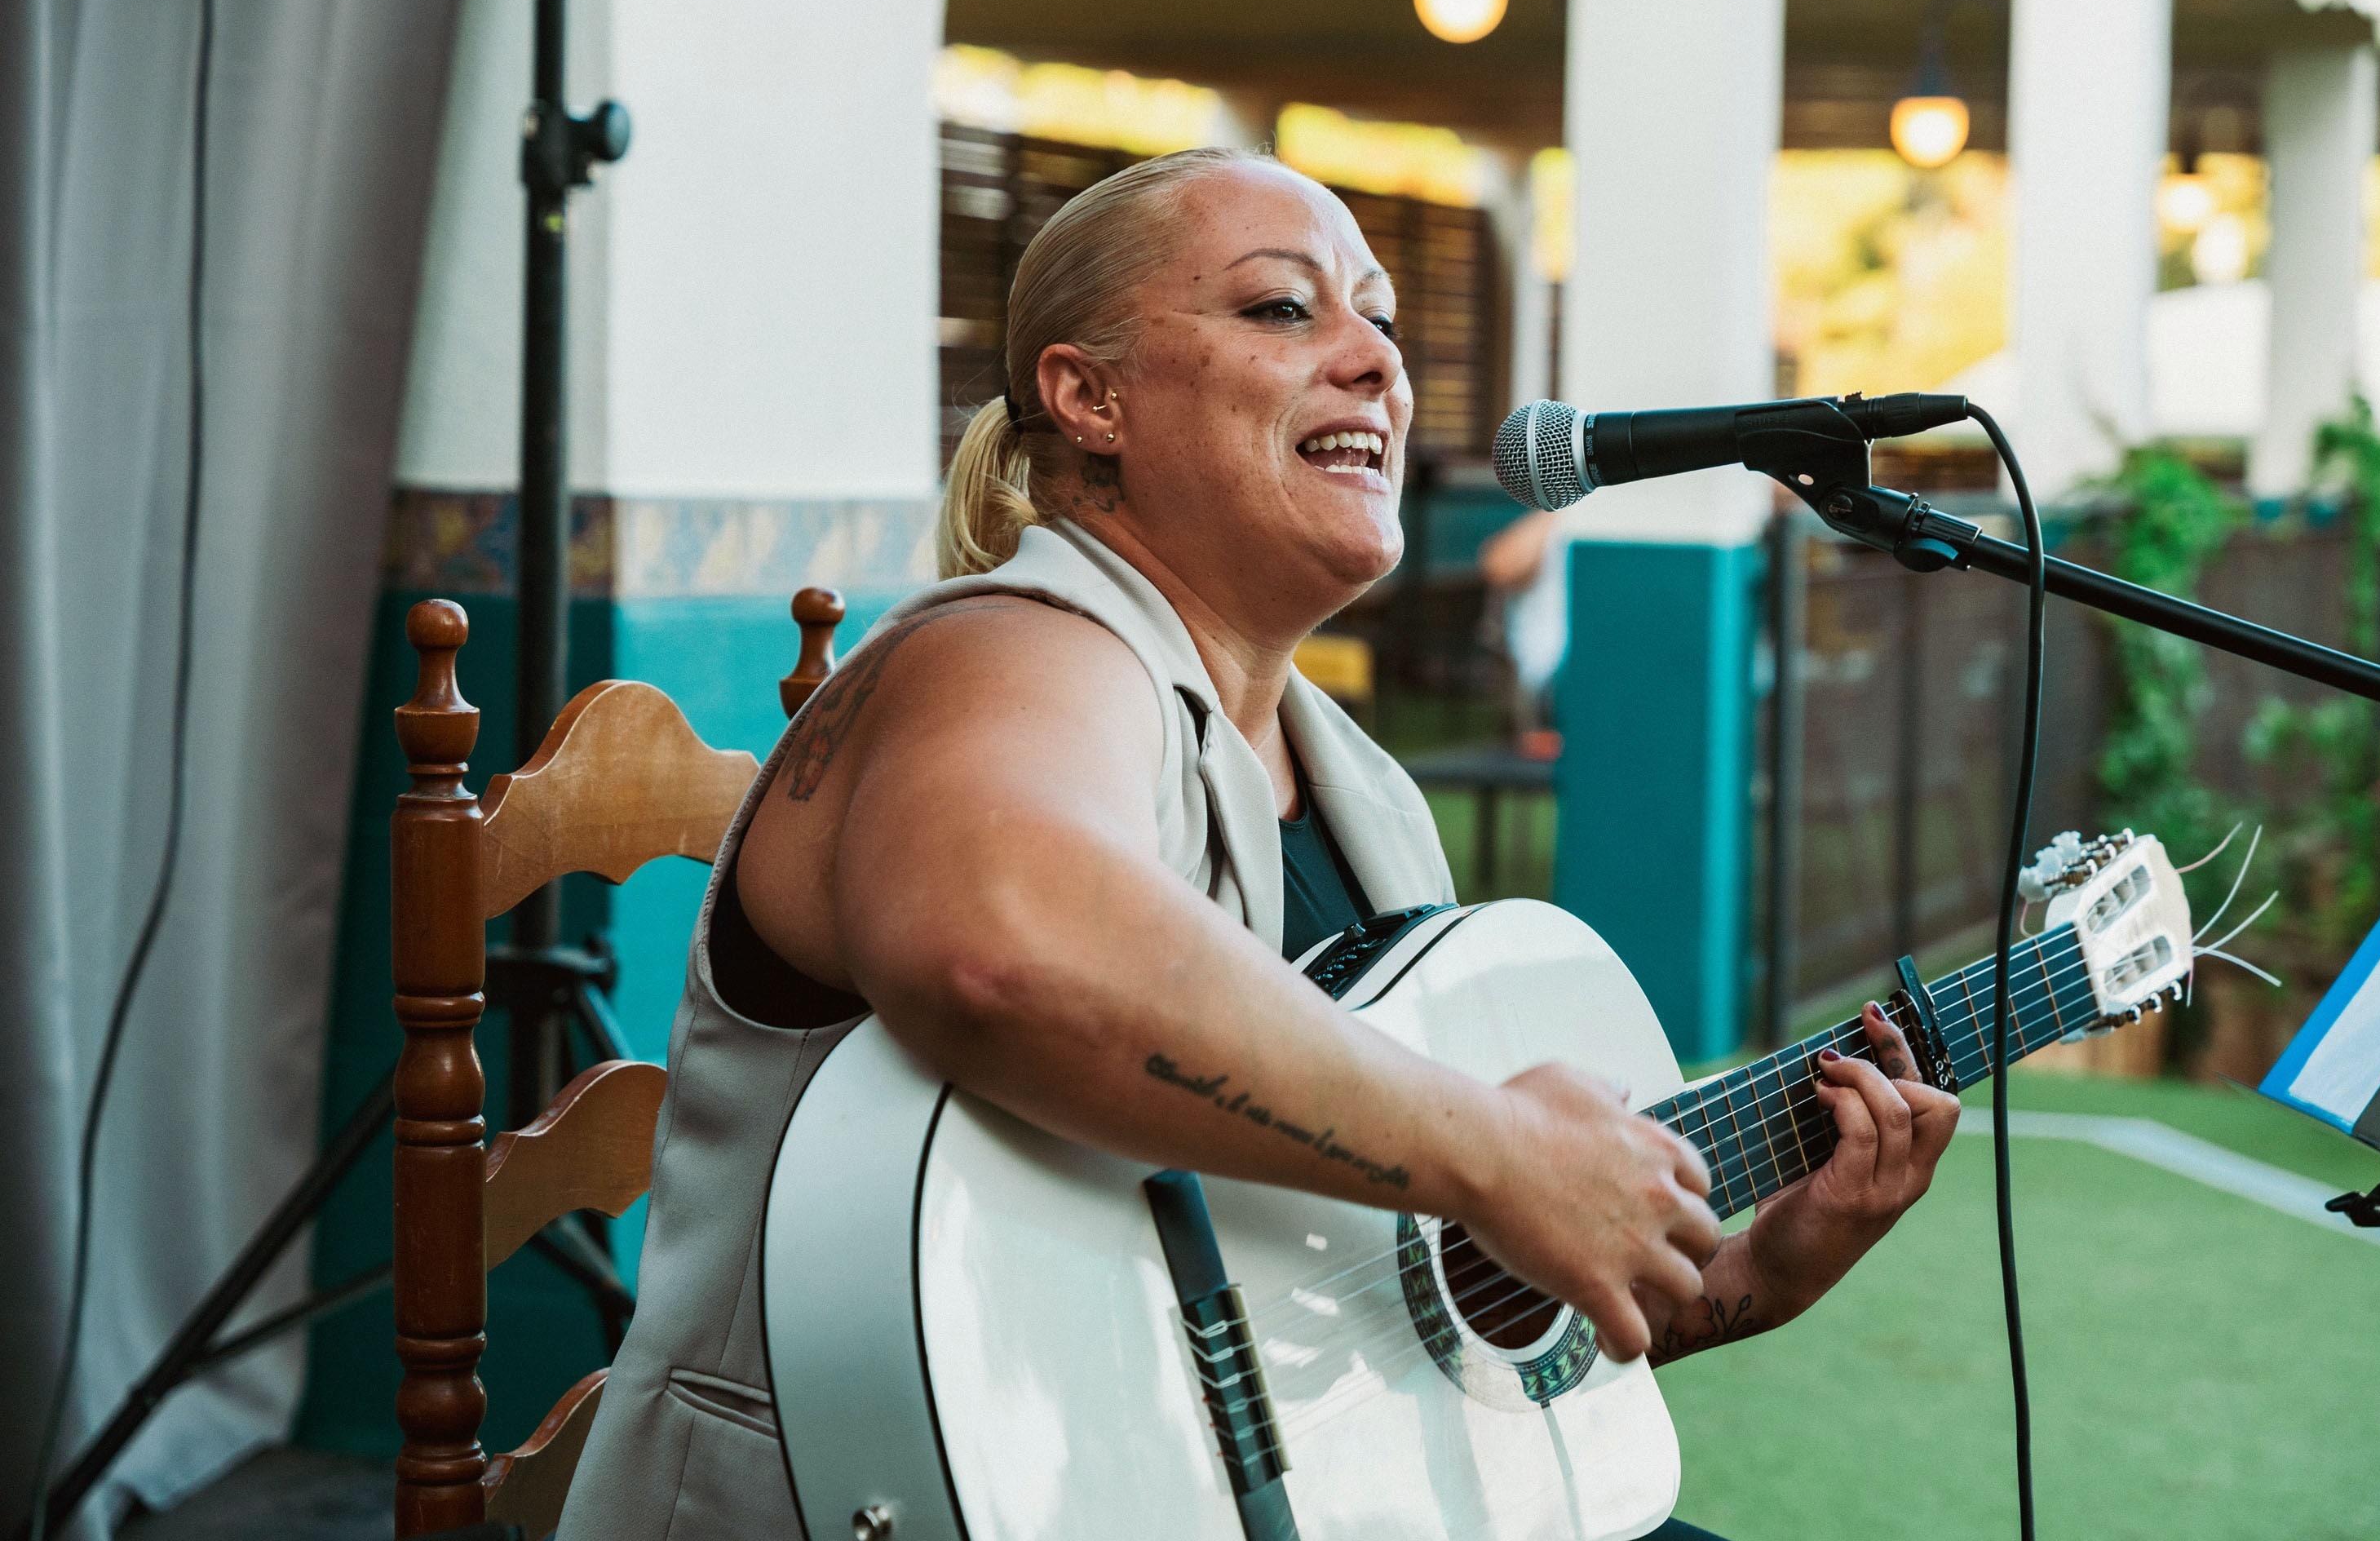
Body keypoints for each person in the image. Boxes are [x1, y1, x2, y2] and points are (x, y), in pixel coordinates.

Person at [556, 148, 1958, 1540]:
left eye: (1384, 320)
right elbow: (1000, 952)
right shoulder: (1002, 657)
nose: (1377, 366)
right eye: (1286, 310)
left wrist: (1758, 1267)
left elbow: (1376, 1328)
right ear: (1087, 396)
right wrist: (1496, 1150)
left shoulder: (1369, 799)